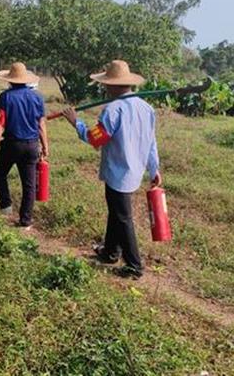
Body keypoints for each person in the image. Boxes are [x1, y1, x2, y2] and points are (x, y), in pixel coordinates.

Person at [61, 60, 160, 278]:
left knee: (123, 217)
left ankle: (135, 265)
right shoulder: (146, 108)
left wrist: (76, 122)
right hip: (135, 170)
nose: (104, 87)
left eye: (106, 84)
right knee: (116, 212)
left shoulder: (113, 110)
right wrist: (154, 169)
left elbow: (95, 139)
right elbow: (152, 142)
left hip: (119, 173)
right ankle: (110, 252)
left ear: (113, 85)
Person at [0, 62, 50, 229]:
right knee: (29, 185)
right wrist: (45, 146)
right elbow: (41, 125)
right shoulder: (37, 97)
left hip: (11, 145)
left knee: (0, 173)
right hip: (31, 146)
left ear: (10, 80)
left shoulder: (5, 97)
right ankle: (26, 221)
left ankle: (6, 205)